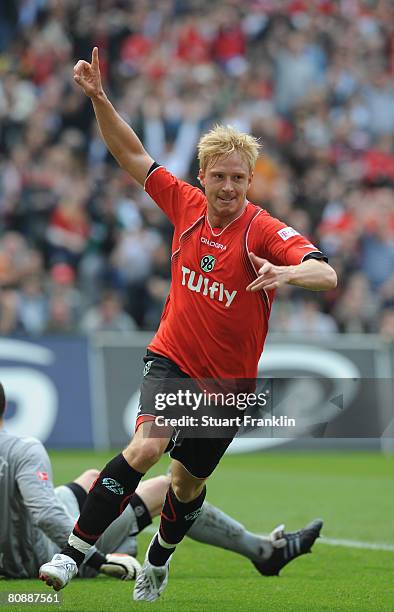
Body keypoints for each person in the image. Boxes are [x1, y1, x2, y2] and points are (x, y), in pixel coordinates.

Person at [40, 47, 336, 602]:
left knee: (185, 484)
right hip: (172, 357)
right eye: (220, 177)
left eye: (239, 179)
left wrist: (288, 274)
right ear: (202, 176)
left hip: (226, 385)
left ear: (251, 181)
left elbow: (327, 272)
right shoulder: (185, 203)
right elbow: (131, 154)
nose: (229, 188)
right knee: (146, 449)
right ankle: (72, 550)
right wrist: (100, 98)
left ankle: (159, 558)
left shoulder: (263, 231)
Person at [0, 382, 322, 581]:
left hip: (17, 538)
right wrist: (100, 561)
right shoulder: (22, 449)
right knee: (168, 487)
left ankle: (121, 532)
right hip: (38, 551)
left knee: (92, 478)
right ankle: (265, 552)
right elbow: (45, 515)